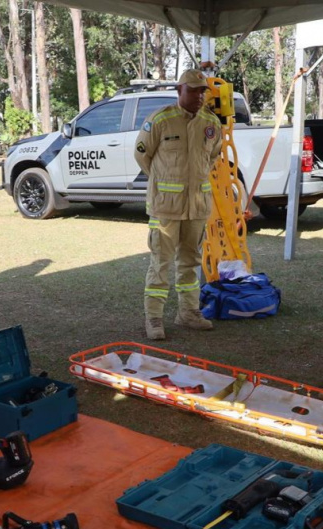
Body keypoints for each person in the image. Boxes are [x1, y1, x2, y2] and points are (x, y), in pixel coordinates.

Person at [134, 68, 222, 340]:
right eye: (193, 90)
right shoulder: (161, 120)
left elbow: (213, 157)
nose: (199, 96)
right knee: (161, 263)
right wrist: (163, 183)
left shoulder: (211, 123)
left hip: (197, 207)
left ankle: (188, 313)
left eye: (202, 91)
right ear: (179, 90)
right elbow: (142, 156)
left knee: (191, 262)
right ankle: (154, 318)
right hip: (166, 208)